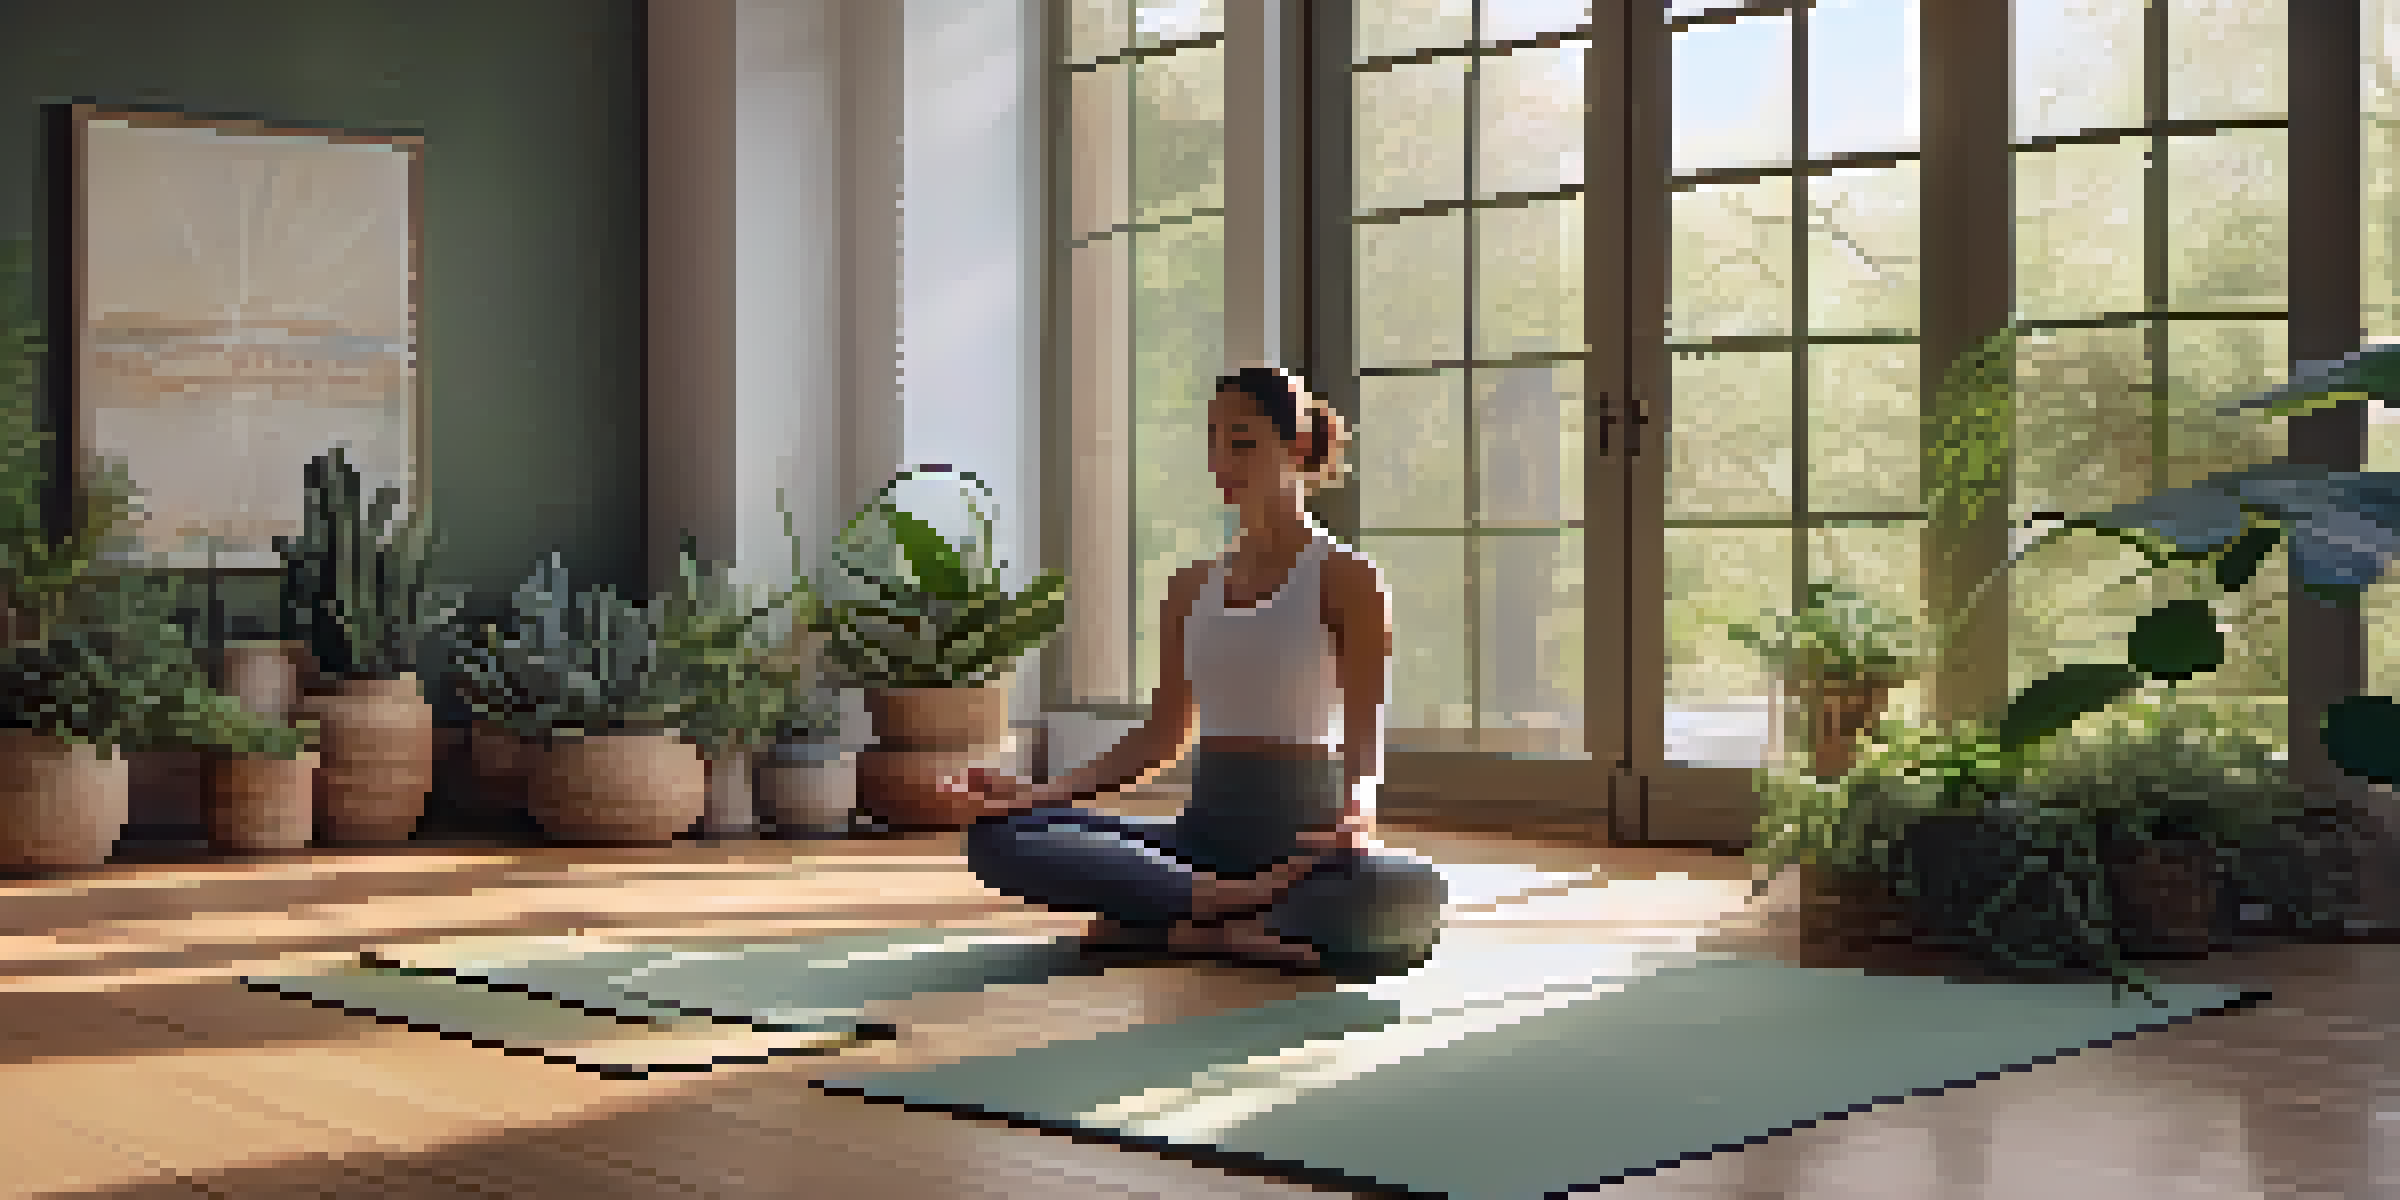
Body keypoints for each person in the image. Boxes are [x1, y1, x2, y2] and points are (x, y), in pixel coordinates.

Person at [938, 366, 1448, 981]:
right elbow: (1162, 737)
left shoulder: (1348, 578)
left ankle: (1165, 923)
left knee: (1412, 891)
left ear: (1294, 448)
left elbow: (1366, 729)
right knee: (999, 836)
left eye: (1242, 441)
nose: (1221, 460)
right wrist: (1033, 793)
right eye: (1212, 440)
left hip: (1300, 846)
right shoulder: (1189, 588)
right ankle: (1229, 911)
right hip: (1199, 843)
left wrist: (1357, 814)